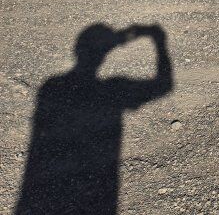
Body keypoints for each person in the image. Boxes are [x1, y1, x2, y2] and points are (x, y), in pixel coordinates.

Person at [15, 23, 173, 215]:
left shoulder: (51, 86)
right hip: (99, 191)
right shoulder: (112, 89)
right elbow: (163, 85)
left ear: (77, 50)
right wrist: (159, 41)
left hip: (43, 192)